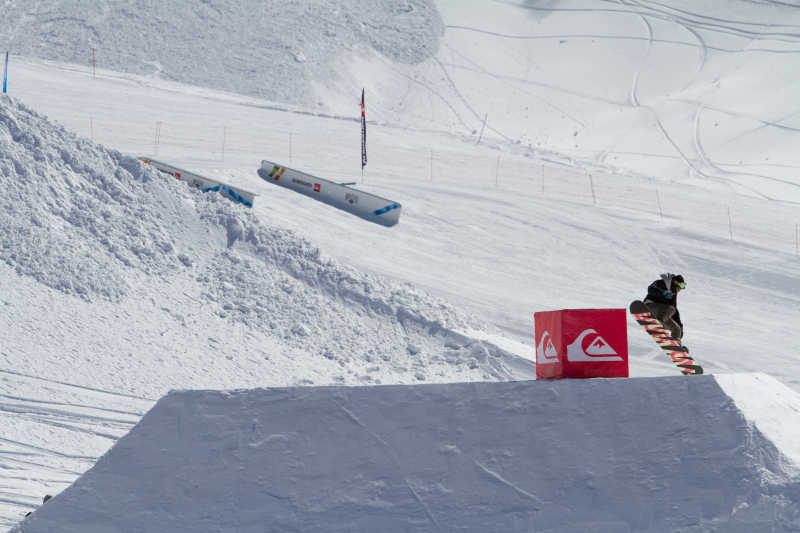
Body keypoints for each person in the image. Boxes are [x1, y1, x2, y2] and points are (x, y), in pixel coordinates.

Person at [643, 273, 686, 340]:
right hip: (650, 307)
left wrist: (680, 327)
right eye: (681, 285)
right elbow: (650, 289)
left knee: (677, 329)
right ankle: (658, 323)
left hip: (662, 315)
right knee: (671, 309)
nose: (680, 289)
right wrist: (662, 293)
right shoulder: (662, 283)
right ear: (676, 283)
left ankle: (676, 343)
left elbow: (675, 313)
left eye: (683, 286)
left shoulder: (673, 294)